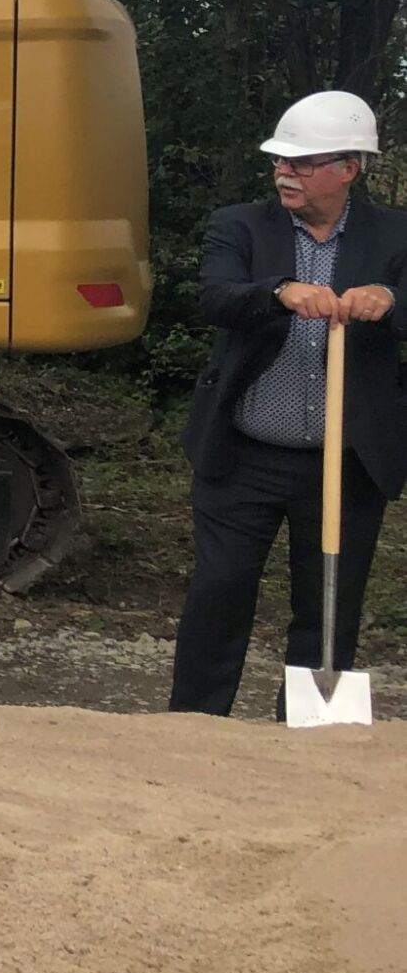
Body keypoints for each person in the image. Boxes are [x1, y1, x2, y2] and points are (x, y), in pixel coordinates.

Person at [169, 91, 407, 715]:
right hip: (243, 454)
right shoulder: (240, 225)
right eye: (280, 161)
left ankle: (306, 730)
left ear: (348, 168)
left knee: (329, 601)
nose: (285, 173)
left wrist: (390, 300)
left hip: (347, 461)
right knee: (219, 589)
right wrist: (278, 291)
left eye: (302, 163)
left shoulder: (396, 232)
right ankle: (193, 725)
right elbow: (215, 296)